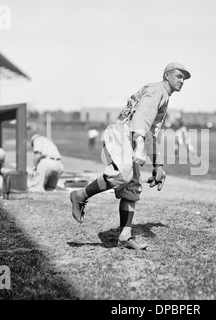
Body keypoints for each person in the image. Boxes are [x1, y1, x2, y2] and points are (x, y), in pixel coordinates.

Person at [70, 62, 191, 250]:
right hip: (122, 131)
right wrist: (139, 144)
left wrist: (158, 166)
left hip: (131, 134)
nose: (182, 81)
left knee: (132, 187)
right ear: (167, 75)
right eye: (179, 76)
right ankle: (80, 195)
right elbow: (141, 119)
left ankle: (125, 236)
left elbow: (150, 133)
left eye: (184, 78)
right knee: (124, 174)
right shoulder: (158, 90)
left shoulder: (164, 97)